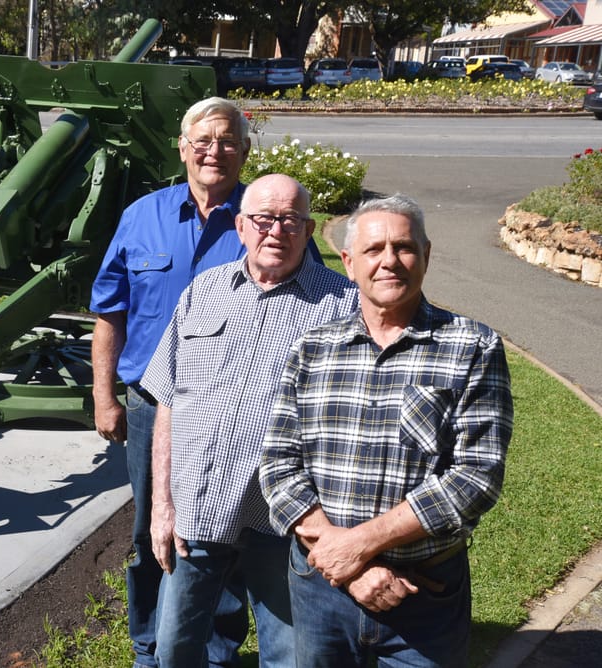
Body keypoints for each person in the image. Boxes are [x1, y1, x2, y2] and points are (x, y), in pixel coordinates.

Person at [259, 194, 513, 667]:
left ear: (427, 255)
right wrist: (348, 565)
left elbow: (477, 477)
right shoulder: (313, 349)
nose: (390, 262)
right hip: (321, 590)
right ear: (350, 262)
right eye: (374, 250)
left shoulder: (472, 346)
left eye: (404, 247)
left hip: (423, 595)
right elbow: (278, 463)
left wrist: (358, 547)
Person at [139, 173, 358, 667]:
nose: (275, 230)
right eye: (263, 219)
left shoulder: (344, 306)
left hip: (285, 519)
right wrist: (161, 505)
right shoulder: (205, 291)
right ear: (240, 226)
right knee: (174, 648)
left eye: (289, 220)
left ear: (309, 228)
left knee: (289, 654)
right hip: (199, 507)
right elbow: (169, 399)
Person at [90, 96, 253, 667]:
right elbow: (110, 311)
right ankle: (149, 646)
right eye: (203, 140)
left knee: (221, 532)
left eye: (228, 140)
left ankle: (215, 650)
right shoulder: (142, 216)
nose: (215, 151)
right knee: (146, 532)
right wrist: (103, 396)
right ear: (182, 149)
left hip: (229, 409)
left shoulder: (260, 221)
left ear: (244, 151)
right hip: (147, 404)